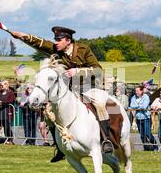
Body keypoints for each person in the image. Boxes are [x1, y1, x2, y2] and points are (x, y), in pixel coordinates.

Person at [11, 26, 113, 163]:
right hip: (70, 90)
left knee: (100, 104)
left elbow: (98, 70)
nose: (56, 42)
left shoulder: (83, 49)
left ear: (68, 40)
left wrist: (78, 71)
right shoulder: (56, 49)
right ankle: (60, 148)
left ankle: (106, 140)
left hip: (89, 87)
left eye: (59, 40)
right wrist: (22, 36)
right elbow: (39, 42)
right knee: (49, 113)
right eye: (55, 39)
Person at [129, 85, 158, 151]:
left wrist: (137, 107)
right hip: (138, 118)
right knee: (142, 135)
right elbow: (131, 105)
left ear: (141, 91)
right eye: (135, 91)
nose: (136, 92)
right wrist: (139, 106)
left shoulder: (146, 97)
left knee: (148, 133)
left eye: (137, 91)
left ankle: (155, 146)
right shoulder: (133, 97)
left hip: (146, 118)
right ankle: (146, 147)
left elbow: (144, 106)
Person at [0, 80, 15, 145]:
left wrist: (1, 102)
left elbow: (10, 100)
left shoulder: (11, 93)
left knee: (8, 127)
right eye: (1, 85)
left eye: (3, 85)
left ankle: (10, 140)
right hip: (1, 112)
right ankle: (7, 139)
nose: (1, 86)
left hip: (8, 112)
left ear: (7, 85)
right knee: (3, 127)